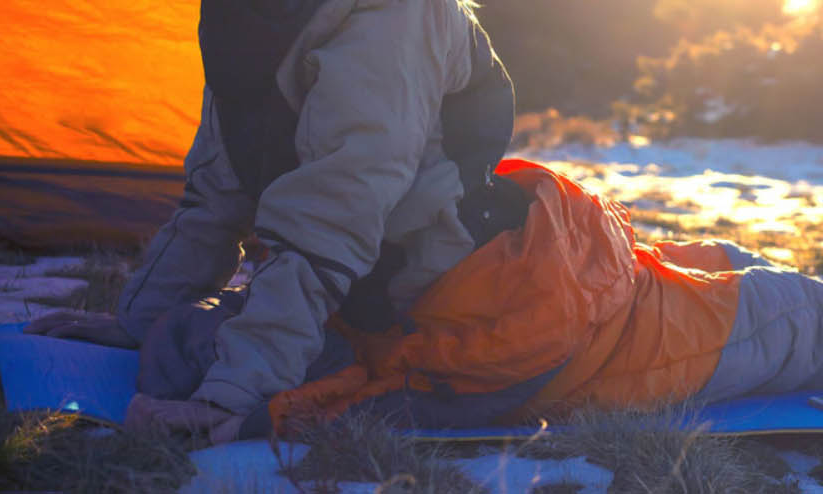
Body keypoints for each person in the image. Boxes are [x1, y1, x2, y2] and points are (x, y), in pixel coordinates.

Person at [126, 159, 823, 441]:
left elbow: (307, 358)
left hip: (660, 293)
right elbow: (335, 400)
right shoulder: (416, 358)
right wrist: (255, 411)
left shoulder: (365, 321)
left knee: (800, 290)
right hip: (694, 333)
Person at [27, 0, 519, 445]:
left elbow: (337, 213)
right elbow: (216, 190)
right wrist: (142, 319)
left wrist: (233, 393)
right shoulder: (251, 17)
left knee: (189, 359)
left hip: (441, 288)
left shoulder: (397, 18)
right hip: (354, 275)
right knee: (176, 343)